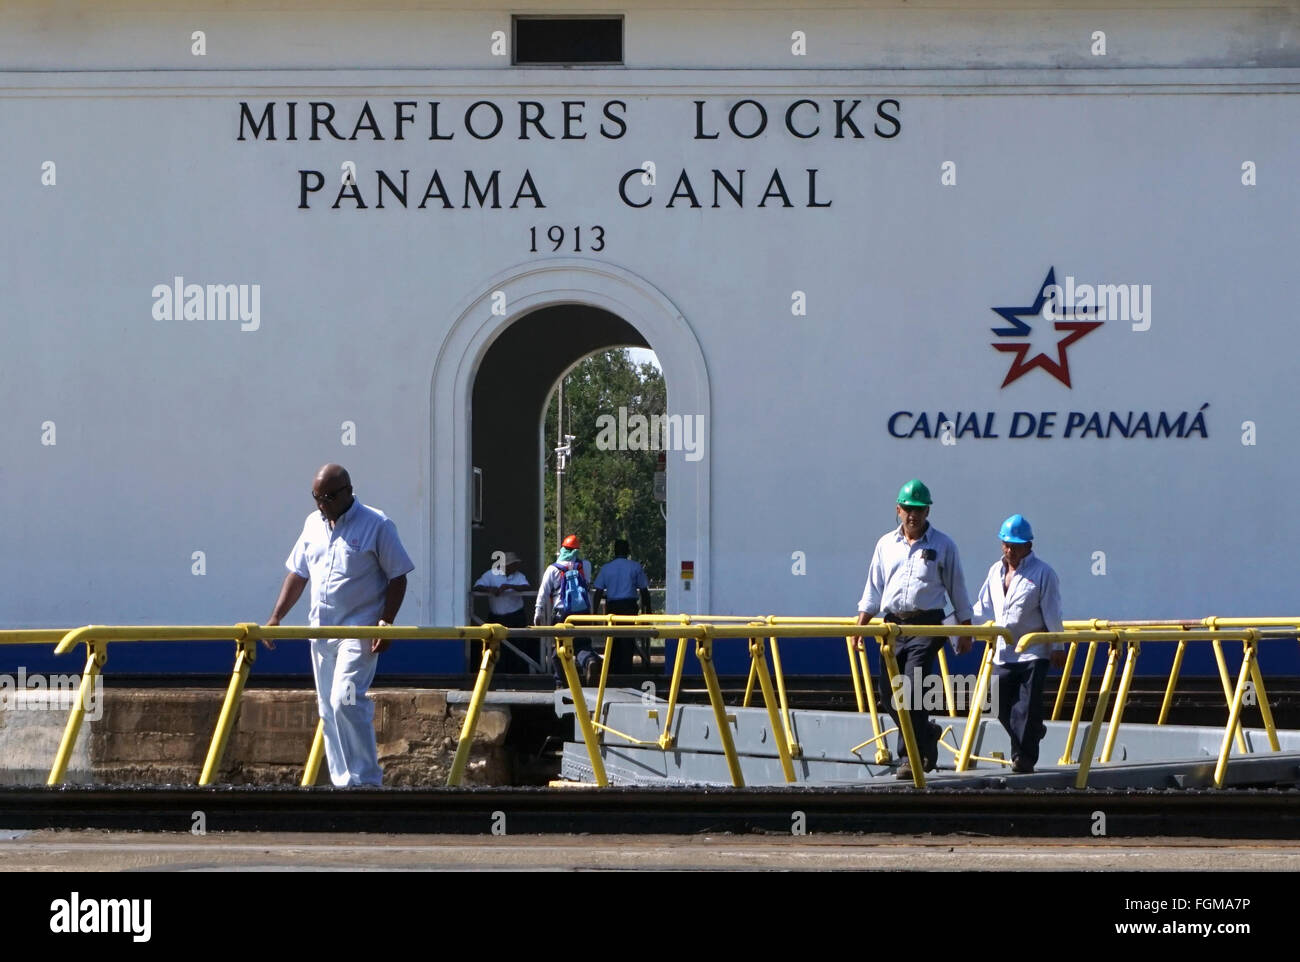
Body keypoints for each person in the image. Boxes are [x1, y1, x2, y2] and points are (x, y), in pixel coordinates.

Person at [264, 464, 414, 787]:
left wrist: (386, 622)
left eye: (329, 497)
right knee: (327, 710)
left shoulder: (377, 524)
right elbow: (298, 574)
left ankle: (366, 781)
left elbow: (398, 575)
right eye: (316, 498)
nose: (322, 505)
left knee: (344, 700)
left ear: (348, 491)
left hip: (358, 632)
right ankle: (343, 782)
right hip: (320, 632)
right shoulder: (312, 525)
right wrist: (277, 616)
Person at [855, 479, 973, 780]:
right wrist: (860, 627)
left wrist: (965, 629)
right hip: (892, 625)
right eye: (907, 509)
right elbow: (873, 589)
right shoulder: (885, 545)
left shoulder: (943, 545)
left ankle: (910, 758)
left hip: (928, 622)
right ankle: (926, 732)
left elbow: (957, 588)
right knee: (888, 694)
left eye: (918, 509)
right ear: (898, 510)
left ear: (928, 510)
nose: (912, 515)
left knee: (909, 686)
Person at [972, 514, 1067, 774]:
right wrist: (963, 627)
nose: (1010, 550)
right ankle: (1034, 731)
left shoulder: (1043, 574)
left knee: (1026, 706)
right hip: (1003, 651)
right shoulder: (995, 572)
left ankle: (1023, 760)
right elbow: (984, 607)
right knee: (997, 700)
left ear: (1029, 546)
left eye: (1015, 545)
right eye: (1006, 544)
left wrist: (1057, 645)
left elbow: (1052, 611)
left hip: (1033, 651)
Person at [534, 534, 598, 685]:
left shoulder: (553, 569)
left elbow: (543, 592)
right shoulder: (585, 565)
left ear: (563, 549)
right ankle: (589, 661)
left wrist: (538, 611)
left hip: (562, 614)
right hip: (582, 613)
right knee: (582, 644)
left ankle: (560, 681)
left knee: (560, 647)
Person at [592, 538, 654, 673]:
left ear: (614, 551)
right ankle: (626, 669)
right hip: (629, 607)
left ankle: (612, 669)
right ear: (628, 551)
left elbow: (598, 592)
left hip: (612, 608)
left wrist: (594, 613)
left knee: (612, 638)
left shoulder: (606, 568)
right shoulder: (635, 567)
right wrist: (648, 612)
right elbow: (644, 590)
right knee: (628, 638)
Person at [471, 551, 537, 673]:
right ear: (506, 565)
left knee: (518, 646)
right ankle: (494, 673)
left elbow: (527, 587)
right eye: (514, 564)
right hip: (496, 618)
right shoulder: (490, 575)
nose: (516, 566)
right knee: (494, 647)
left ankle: (518, 673)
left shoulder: (519, 576)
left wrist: (509, 587)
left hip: (515, 617)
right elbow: (476, 587)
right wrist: (490, 589)